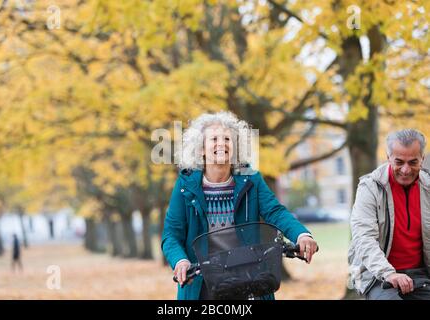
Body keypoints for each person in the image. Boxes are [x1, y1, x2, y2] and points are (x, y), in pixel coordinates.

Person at [161, 111, 318, 300]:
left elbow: (275, 212)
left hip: (249, 278)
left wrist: (301, 234)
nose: (222, 144)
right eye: (214, 139)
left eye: (227, 139)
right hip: (202, 283)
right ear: (201, 149)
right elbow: (171, 234)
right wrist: (181, 261)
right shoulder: (185, 186)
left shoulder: (251, 179)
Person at [348, 129, 430, 300]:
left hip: (421, 274)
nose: (406, 170)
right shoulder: (370, 188)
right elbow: (364, 238)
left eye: (413, 162)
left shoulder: (428, 188)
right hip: (377, 276)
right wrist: (389, 274)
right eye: (399, 162)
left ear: (422, 159)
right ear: (388, 158)